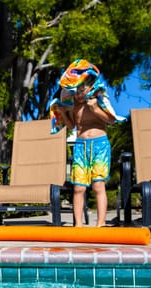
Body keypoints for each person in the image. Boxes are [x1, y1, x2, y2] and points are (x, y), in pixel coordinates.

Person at [50, 59, 123, 227]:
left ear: (91, 86)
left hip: (99, 145)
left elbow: (111, 121)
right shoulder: (74, 105)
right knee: (78, 188)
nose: (80, 93)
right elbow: (72, 126)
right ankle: (78, 225)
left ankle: (101, 223)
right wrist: (63, 112)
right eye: (77, 89)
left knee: (98, 186)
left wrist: (95, 110)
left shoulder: (97, 101)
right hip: (81, 146)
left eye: (83, 88)